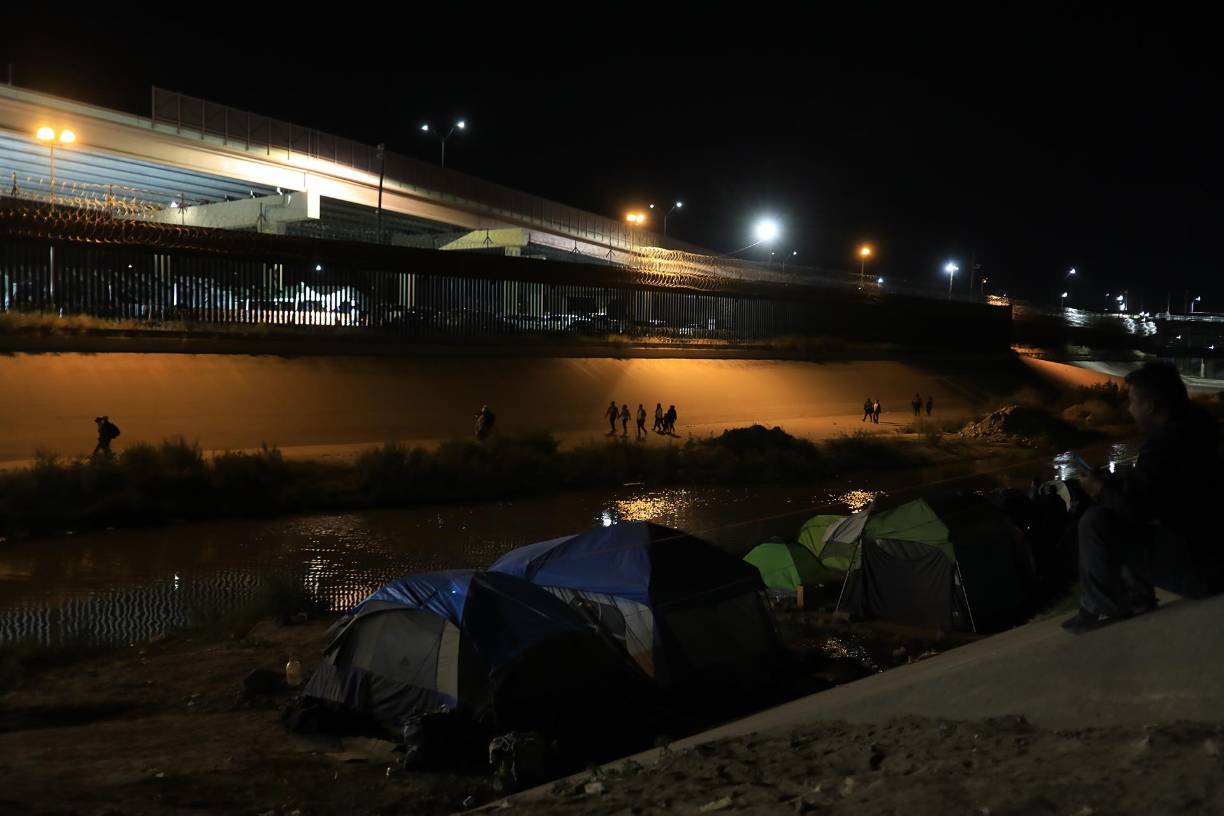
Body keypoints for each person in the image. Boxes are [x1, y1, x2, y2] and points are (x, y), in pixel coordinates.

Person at [1062, 362, 1224, 634]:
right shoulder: (1202, 426)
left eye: (1132, 401)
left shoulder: (1162, 446)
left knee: (1097, 521)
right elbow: (1161, 493)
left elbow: (1136, 510)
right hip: (1216, 553)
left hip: (1201, 572)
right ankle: (1137, 597)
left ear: (1149, 405)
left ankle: (1102, 608)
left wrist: (1098, 489)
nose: (1129, 409)